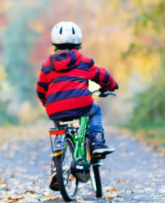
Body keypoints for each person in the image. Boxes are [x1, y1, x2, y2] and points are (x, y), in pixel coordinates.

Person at [36, 21, 118, 156]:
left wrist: (48, 103)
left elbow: (41, 90)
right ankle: (97, 142)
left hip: (54, 108)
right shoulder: (83, 62)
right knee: (95, 110)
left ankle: (59, 151)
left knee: (58, 118)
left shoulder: (47, 66)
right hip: (81, 103)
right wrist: (111, 85)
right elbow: (101, 75)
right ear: (78, 43)